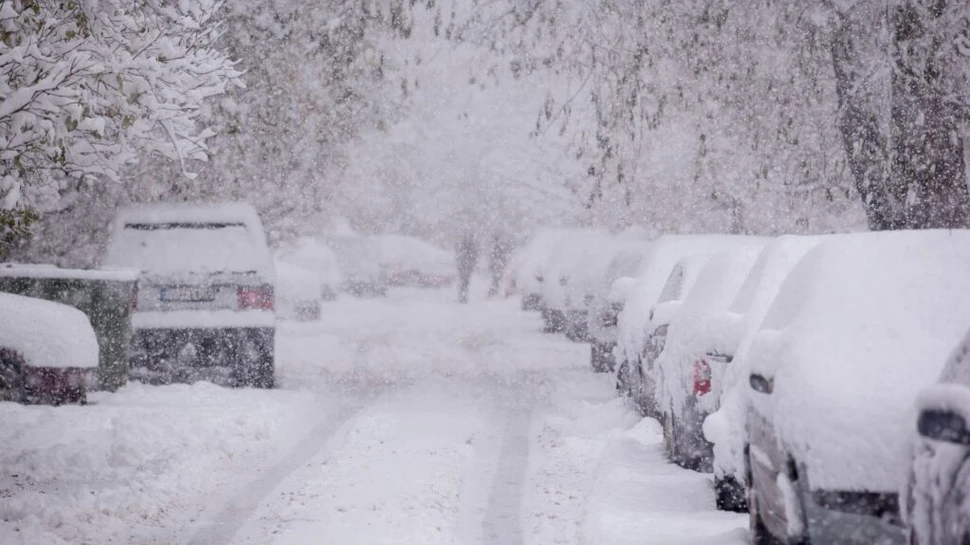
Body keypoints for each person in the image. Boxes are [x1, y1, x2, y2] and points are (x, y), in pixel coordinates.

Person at [487, 231, 514, 298]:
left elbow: (492, 257)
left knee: (496, 280)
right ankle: (494, 292)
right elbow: (501, 256)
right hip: (498, 266)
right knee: (497, 280)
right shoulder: (498, 247)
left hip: (497, 266)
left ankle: (494, 292)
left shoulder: (494, 247)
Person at [455, 232, 479, 303]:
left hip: (464, 268)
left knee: (464, 282)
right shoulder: (470, 248)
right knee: (465, 283)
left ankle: (462, 296)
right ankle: (463, 297)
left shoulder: (463, 247)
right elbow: (474, 257)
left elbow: (458, 258)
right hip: (466, 268)